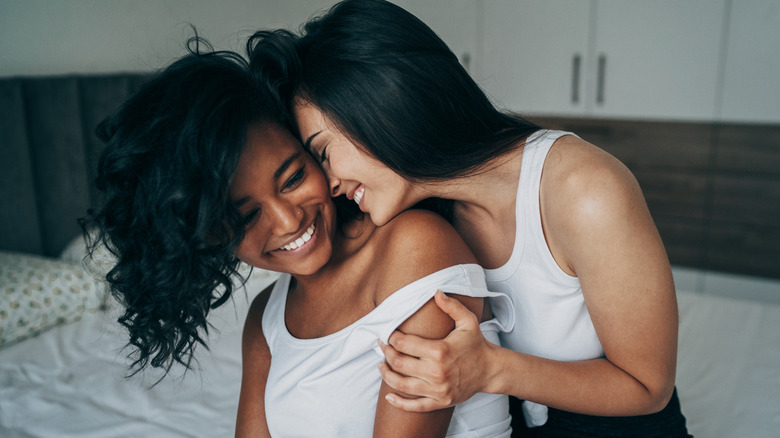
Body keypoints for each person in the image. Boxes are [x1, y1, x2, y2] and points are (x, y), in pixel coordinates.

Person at [246, 0, 692, 436]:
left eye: (323, 153)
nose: (331, 185)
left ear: (382, 105)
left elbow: (648, 387)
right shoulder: (426, 216)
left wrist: (494, 370)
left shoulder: (584, 190)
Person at [83, 39, 515, 437]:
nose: (288, 221)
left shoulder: (415, 247)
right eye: (248, 215)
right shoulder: (266, 319)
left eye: (292, 177)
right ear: (207, 236)